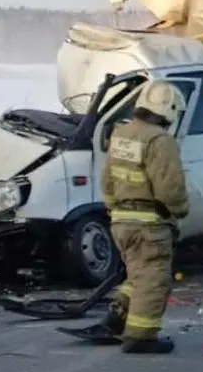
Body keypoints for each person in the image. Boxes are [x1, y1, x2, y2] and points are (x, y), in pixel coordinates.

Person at [61, 80, 189, 354]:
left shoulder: (121, 135)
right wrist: (179, 210)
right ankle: (141, 336)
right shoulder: (159, 140)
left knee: (137, 275)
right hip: (149, 224)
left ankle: (115, 319)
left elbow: (107, 180)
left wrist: (114, 209)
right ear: (169, 110)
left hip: (121, 222)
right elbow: (170, 186)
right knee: (153, 279)